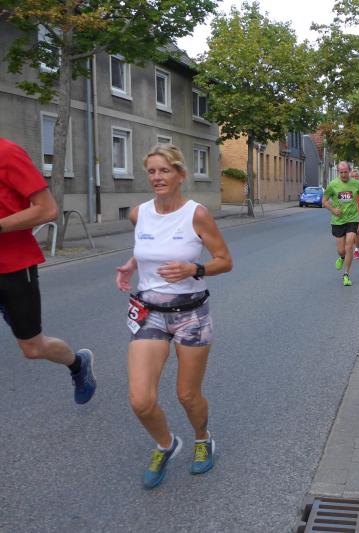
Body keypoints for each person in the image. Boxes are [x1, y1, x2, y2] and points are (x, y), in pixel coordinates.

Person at [115, 144, 233, 489]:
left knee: (187, 395)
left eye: (164, 170)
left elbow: (225, 261)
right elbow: (149, 246)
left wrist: (193, 268)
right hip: (149, 313)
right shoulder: (138, 213)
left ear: (181, 175)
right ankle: (166, 444)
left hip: (190, 315)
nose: (157, 177)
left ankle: (203, 438)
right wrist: (132, 264)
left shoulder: (197, 215)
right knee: (140, 400)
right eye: (151, 171)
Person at [0, 138, 96, 404]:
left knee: (32, 348)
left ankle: (78, 364)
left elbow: (48, 209)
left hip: (13, 268)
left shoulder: (7, 153)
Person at [323, 161, 359, 286]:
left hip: (352, 219)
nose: (343, 175)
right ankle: (342, 257)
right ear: (338, 172)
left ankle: (346, 274)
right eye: (341, 172)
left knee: (349, 246)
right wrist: (332, 209)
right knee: (341, 250)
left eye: (345, 172)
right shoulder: (333, 184)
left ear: (349, 171)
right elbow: (324, 201)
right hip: (338, 220)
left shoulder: (356, 183)